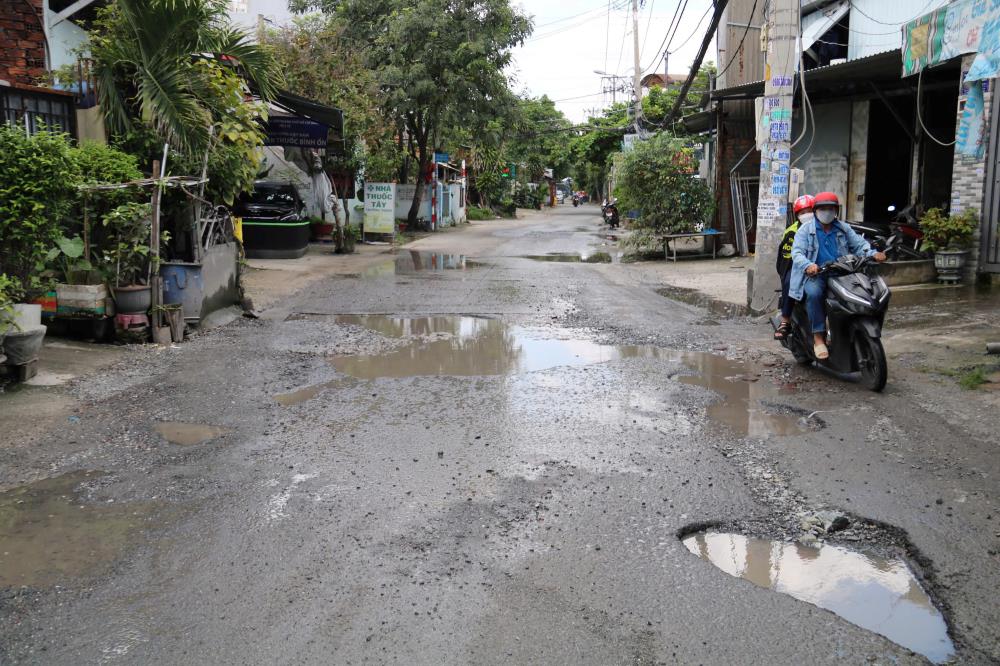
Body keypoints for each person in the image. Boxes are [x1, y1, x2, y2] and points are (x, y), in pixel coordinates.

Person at [789, 191, 887, 359]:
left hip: (842, 272)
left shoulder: (843, 227)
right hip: (818, 274)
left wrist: (873, 253)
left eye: (831, 208)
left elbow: (859, 245)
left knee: (865, 291)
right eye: (823, 209)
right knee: (814, 294)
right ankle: (819, 338)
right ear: (816, 211)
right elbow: (796, 253)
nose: (827, 212)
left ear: (836, 211)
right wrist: (808, 265)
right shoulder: (806, 230)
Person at [774, 194, 815, 340]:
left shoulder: (825, 227)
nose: (807, 215)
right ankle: (785, 320)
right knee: (790, 281)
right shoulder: (792, 231)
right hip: (798, 266)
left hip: (823, 265)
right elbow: (787, 259)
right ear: (797, 215)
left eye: (809, 211)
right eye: (803, 213)